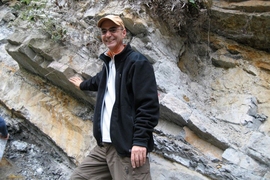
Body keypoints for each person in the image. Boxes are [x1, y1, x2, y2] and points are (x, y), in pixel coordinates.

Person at [69, 14, 159, 180]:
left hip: (127, 148)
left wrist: (139, 141)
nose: (108, 34)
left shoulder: (137, 62)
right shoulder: (109, 64)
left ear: (123, 33)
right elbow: (98, 81)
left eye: (113, 30)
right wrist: (82, 85)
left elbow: (148, 105)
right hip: (104, 147)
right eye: (104, 31)